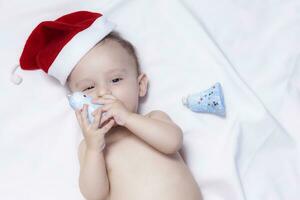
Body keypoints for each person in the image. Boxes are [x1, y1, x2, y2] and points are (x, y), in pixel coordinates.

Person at [13, 11, 202, 200]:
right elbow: (95, 194)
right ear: (76, 102)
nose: (103, 93)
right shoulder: (89, 148)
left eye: (116, 79)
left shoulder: (155, 118)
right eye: (88, 87)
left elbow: (173, 142)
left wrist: (128, 118)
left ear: (140, 85)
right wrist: (95, 148)